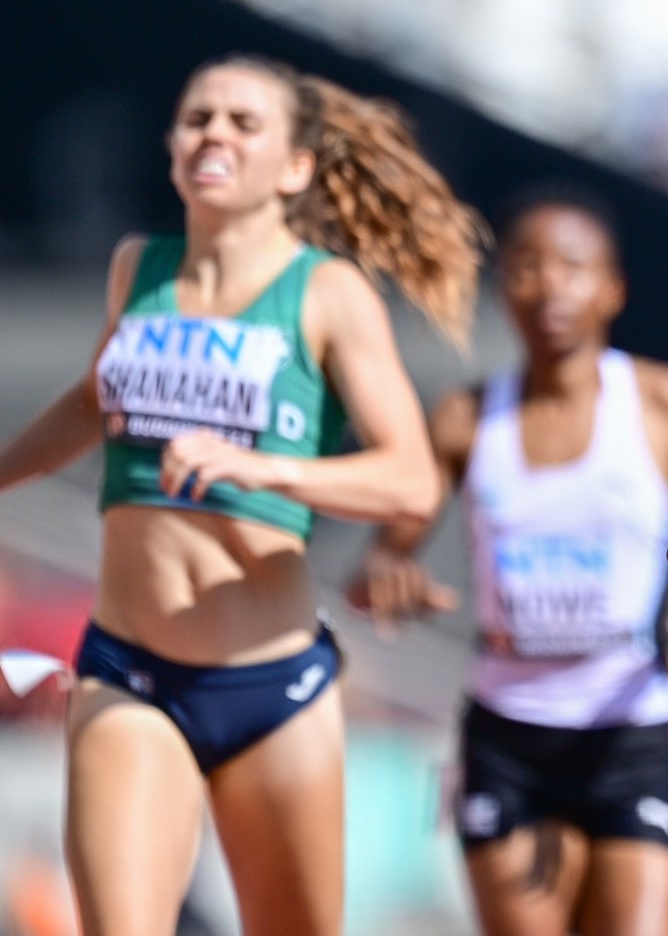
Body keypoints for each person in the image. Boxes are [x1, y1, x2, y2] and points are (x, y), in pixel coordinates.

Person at [0, 55, 484, 936]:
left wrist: (263, 469)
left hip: (271, 686)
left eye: (241, 123)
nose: (212, 134)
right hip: (128, 672)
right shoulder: (136, 270)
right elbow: (92, 397)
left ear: (294, 167)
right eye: (197, 119)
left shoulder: (325, 294)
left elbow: (410, 477)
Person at [350, 191, 668, 936]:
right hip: (507, 734)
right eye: (526, 267)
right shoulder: (465, 418)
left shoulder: (663, 403)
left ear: (613, 288)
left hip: (627, 725)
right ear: (503, 290)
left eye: (572, 267)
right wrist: (389, 579)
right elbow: (374, 567)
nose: (549, 286)